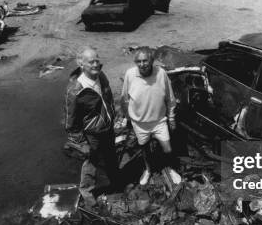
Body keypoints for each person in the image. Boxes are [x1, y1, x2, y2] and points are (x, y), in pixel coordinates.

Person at [64, 47, 117, 207]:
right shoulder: (75, 90)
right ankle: (87, 192)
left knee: (111, 155)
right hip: (92, 133)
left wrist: (114, 114)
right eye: (91, 62)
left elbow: (107, 97)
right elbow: (70, 122)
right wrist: (82, 143)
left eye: (97, 60)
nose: (96, 64)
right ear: (81, 64)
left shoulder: (100, 75)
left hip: (107, 126)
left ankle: (115, 182)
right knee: (91, 163)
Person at [121, 47, 180, 186]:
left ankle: (171, 169)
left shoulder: (161, 73)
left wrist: (171, 118)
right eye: (139, 61)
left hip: (159, 121)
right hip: (140, 123)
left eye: (145, 61)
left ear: (152, 61)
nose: (142, 64)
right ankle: (148, 170)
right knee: (144, 148)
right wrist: (128, 118)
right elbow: (124, 99)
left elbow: (170, 98)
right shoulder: (130, 74)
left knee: (168, 148)